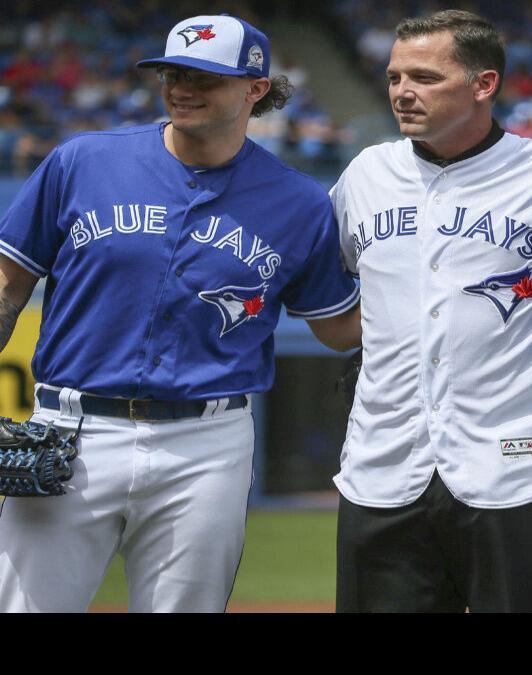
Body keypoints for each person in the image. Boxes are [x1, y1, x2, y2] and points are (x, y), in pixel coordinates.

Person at [0, 14, 361, 612]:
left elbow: (337, 326)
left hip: (207, 441)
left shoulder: (299, 201)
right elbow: (9, 283)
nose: (181, 87)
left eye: (204, 76)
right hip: (71, 428)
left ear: (256, 89)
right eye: (172, 71)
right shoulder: (83, 161)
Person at [330, 10, 532, 613]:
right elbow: (346, 296)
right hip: (384, 466)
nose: (403, 91)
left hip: (518, 467)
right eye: (396, 76)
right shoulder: (364, 175)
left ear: (484, 85)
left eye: (425, 77)